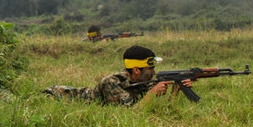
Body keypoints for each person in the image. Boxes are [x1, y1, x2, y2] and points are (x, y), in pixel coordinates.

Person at [44, 45, 193, 106]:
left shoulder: (142, 82)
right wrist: (151, 95)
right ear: (136, 70)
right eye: (150, 68)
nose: (153, 72)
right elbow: (129, 114)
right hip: (60, 95)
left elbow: (155, 112)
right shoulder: (112, 82)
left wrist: (175, 91)